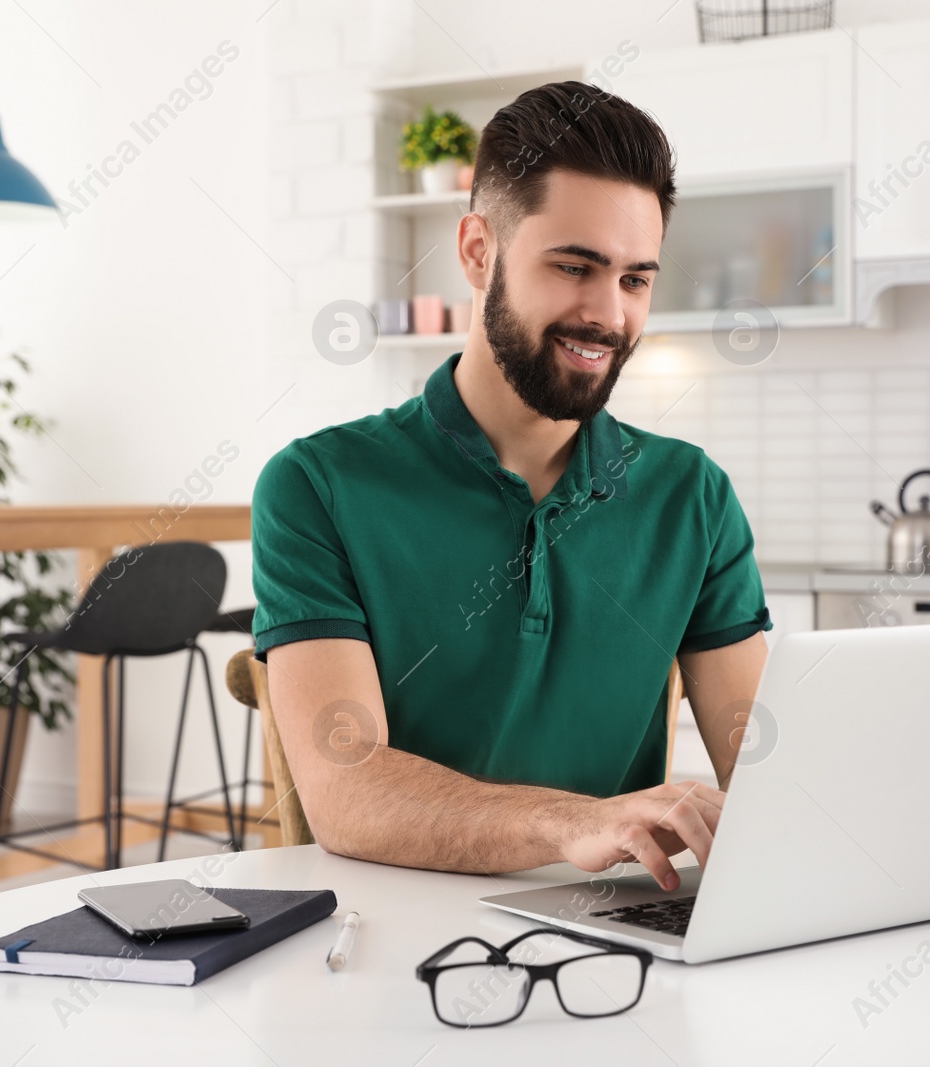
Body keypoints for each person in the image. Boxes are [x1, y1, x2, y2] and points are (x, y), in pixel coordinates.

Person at [252, 81, 771, 892]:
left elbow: (767, 763)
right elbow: (346, 792)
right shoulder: (318, 486)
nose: (608, 313)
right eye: (575, 266)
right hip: (390, 944)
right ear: (476, 251)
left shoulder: (691, 495)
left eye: (636, 279)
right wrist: (575, 821)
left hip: (614, 942)